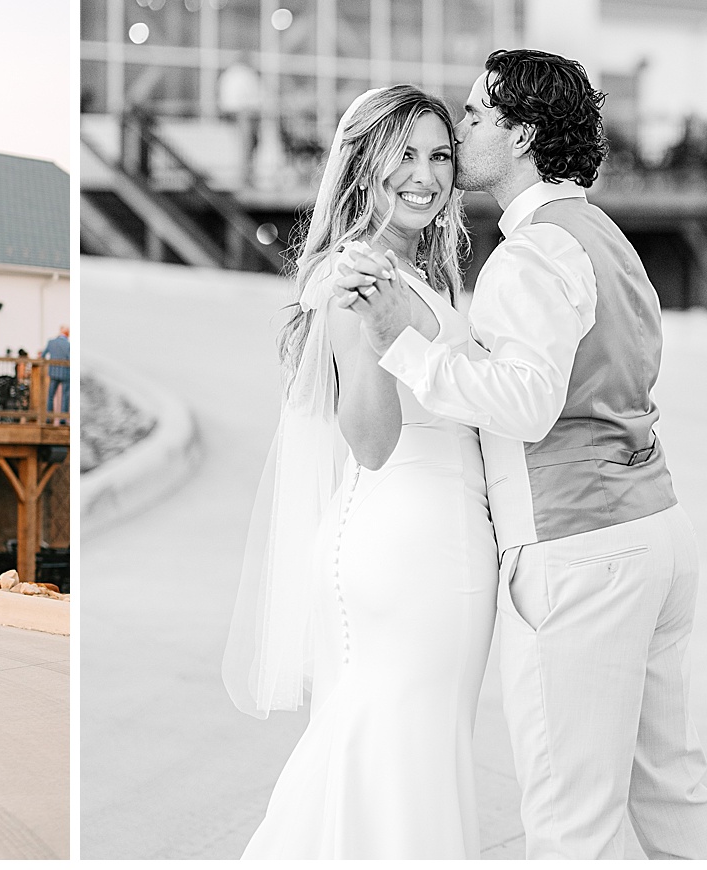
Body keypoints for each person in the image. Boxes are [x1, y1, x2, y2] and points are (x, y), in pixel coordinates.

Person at [341, 50, 707, 858]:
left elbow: (526, 402)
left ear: (520, 134)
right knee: (672, 794)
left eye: (479, 114)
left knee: (568, 822)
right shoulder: (603, 237)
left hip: (578, 551)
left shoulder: (527, 255)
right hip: (655, 529)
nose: (466, 126)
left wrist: (403, 347)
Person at [223, 84, 495, 858]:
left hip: (416, 536)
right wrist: (377, 331)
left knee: (392, 752)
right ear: (364, 165)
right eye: (403, 154)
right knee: (398, 754)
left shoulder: (410, 271)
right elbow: (371, 439)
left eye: (440, 155)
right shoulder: (364, 277)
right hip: (411, 541)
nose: (426, 174)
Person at [41, 325, 70, 418]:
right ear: (67, 334)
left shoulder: (51, 342)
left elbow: (43, 355)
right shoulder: (68, 345)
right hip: (66, 373)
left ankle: (48, 417)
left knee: (50, 396)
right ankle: (63, 418)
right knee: (65, 397)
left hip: (53, 372)